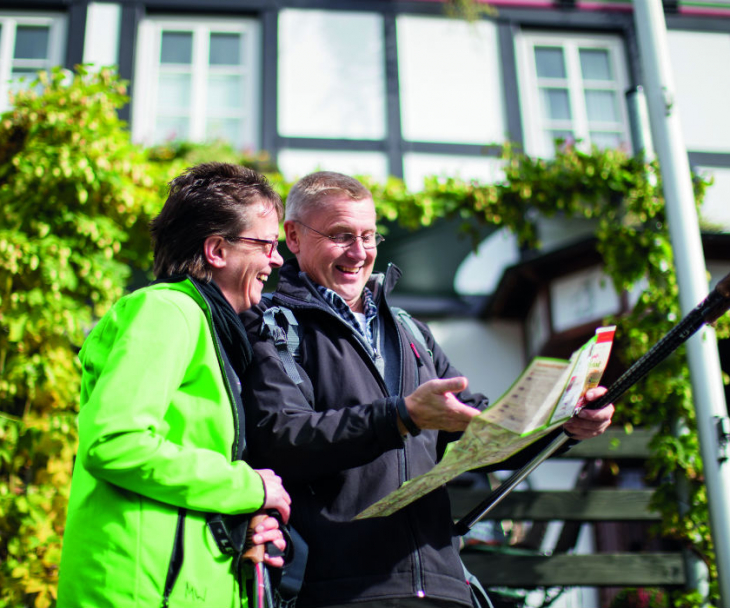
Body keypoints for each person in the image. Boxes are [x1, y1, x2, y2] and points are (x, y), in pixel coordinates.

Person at [240, 171, 615, 608]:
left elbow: (481, 429)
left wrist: (563, 424)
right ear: (294, 237)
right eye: (341, 236)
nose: (360, 253)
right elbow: (283, 439)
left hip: (443, 588)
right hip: (339, 591)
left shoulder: (410, 331)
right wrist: (402, 416)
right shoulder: (268, 325)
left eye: (368, 236)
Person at [58, 162, 291, 608]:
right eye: (266, 244)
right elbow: (116, 442)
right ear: (217, 250)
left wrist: (242, 520)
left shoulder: (208, 328)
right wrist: (248, 487)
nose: (277, 259)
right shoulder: (167, 311)